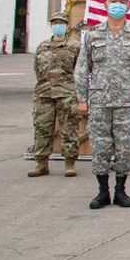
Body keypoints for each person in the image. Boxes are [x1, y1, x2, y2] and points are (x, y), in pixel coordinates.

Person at [75, 0, 130, 210]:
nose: (117, 4)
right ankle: (102, 191)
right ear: (105, 5)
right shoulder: (93, 34)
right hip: (99, 101)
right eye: (113, 0)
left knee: (124, 146)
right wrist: (82, 98)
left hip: (126, 102)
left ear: (128, 5)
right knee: (100, 146)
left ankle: (120, 190)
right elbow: (82, 68)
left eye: (122, 1)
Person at [28, 10, 80, 178]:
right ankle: (41, 163)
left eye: (62, 23)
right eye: (55, 23)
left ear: (67, 26)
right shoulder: (42, 46)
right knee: (42, 128)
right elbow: (37, 68)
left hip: (66, 93)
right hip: (44, 93)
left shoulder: (74, 46)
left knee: (69, 129)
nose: (58, 26)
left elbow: (81, 69)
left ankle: (70, 163)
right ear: (51, 26)